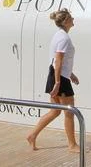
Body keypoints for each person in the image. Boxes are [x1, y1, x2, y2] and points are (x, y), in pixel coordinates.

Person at [27, 9, 80, 153]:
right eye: (71, 17)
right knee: (69, 112)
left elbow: (59, 62)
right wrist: (58, 83)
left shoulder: (59, 35)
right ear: (65, 21)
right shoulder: (64, 38)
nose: (73, 18)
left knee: (55, 111)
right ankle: (72, 145)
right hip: (59, 79)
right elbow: (58, 60)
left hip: (57, 75)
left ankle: (32, 135)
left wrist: (71, 74)